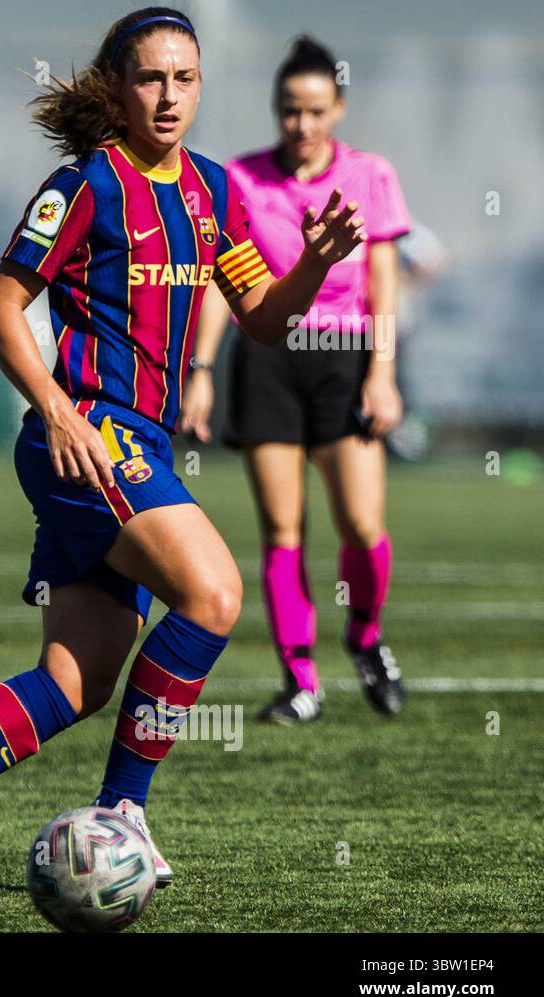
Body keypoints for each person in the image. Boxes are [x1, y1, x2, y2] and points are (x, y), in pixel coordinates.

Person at [0, 7, 367, 893]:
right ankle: (125, 809)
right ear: (117, 86)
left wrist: (311, 267)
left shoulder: (213, 191)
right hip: (89, 436)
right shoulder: (84, 184)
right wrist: (55, 407)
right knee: (213, 592)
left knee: (76, 682)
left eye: (185, 79)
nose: (169, 95)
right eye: (151, 78)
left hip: (133, 446)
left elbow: (266, 321)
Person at [180, 36, 410, 724]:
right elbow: (227, 282)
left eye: (314, 110)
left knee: (363, 527)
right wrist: (202, 370)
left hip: (345, 358)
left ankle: (366, 638)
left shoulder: (371, 174)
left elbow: (384, 281)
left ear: (338, 108)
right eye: (288, 111)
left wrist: (385, 372)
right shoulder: (242, 179)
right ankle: (301, 679)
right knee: (283, 530)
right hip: (268, 358)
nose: (300, 125)